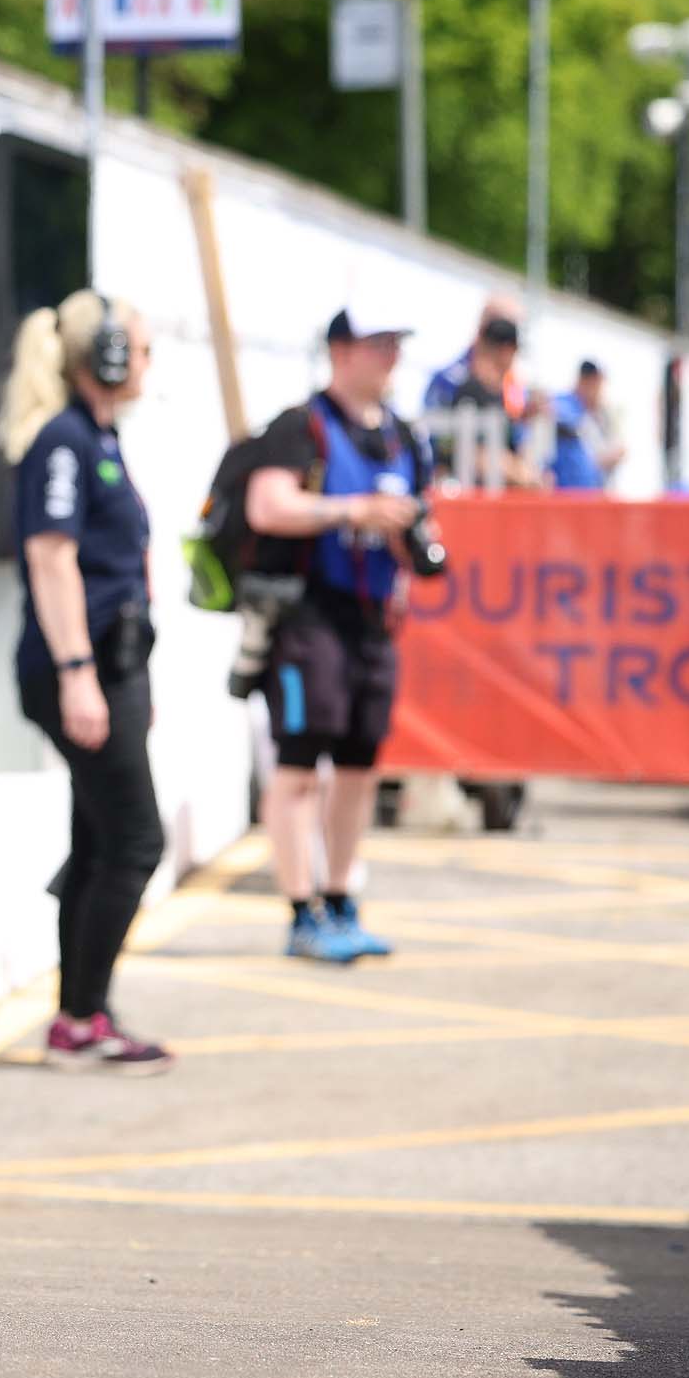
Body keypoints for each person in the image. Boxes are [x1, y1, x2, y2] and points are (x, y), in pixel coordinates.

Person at [4, 292, 174, 1072]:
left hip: (114, 666)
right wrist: (79, 675)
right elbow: (52, 557)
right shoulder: (65, 441)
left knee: (101, 836)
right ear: (102, 356)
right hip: (84, 666)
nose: (145, 362)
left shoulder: (96, 436)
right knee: (136, 840)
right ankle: (81, 1015)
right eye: (137, 348)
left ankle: (79, 1016)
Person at [246, 310, 436, 965]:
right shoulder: (303, 426)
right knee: (299, 766)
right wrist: (351, 511)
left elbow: (423, 528)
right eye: (377, 343)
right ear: (341, 349)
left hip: (373, 620)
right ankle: (301, 912)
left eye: (395, 343)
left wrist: (409, 543)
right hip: (309, 617)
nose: (389, 356)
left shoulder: (406, 436)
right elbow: (267, 505)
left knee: (359, 768)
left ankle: (340, 897)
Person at [421, 304, 531, 487]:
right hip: (464, 491)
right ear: (507, 351)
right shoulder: (463, 387)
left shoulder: (505, 391)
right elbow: (453, 449)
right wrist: (513, 469)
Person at [547, 360, 622, 490]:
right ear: (585, 381)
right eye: (596, 385)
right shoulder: (564, 405)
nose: (599, 392)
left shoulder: (596, 414)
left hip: (590, 492)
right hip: (565, 491)